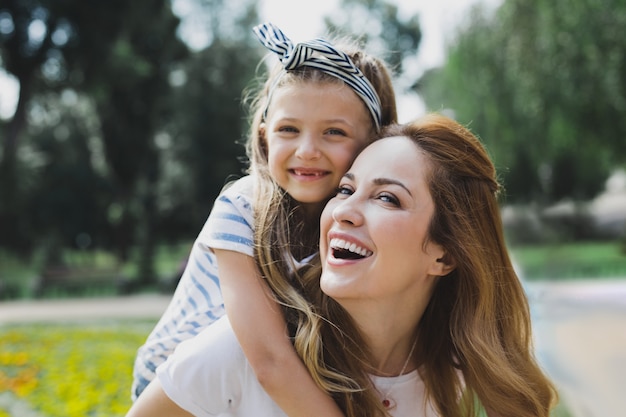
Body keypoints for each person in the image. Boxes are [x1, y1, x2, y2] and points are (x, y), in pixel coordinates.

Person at [126, 113, 557, 417]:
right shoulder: (238, 351)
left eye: (387, 198)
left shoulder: (447, 376)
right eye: (346, 189)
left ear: (444, 254)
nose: (344, 211)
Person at [131, 21, 398, 417]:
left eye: (334, 133)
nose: (307, 150)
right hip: (181, 393)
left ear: (373, 144)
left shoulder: (360, 221)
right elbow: (268, 361)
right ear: (264, 136)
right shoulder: (244, 207)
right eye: (289, 129)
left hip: (260, 382)